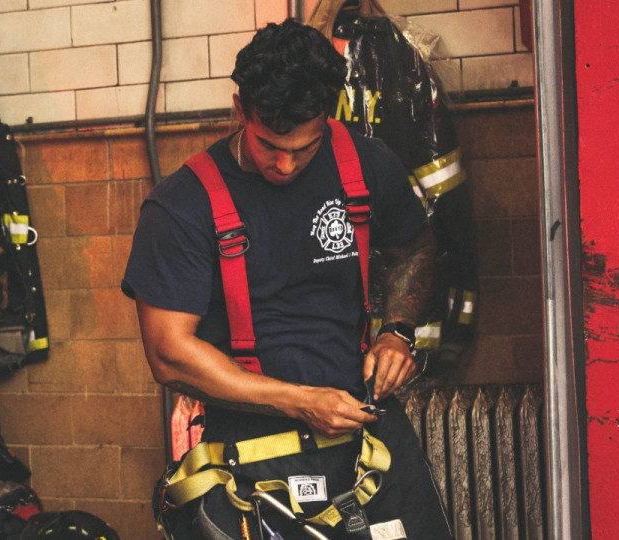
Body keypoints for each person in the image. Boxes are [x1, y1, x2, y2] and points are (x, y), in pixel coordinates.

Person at [122, 18, 452, 539]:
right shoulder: (181, 206)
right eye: (269, 145)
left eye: (305, 147)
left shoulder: (367, 164)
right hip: (251, 454)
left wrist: (397, 331)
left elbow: (414, 247)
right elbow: (169, 354)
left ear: (327, 114)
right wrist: (298, 400)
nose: (285, 164)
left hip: (368, 439)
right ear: (241, 111)